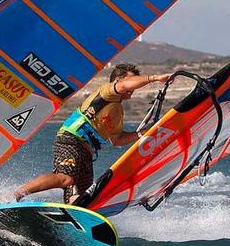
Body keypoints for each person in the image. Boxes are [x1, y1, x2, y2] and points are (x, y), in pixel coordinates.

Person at [13, 63, 170, 204]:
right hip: (70, 139)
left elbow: (117, 139)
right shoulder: (107, 91)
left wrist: (143, 133)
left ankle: (67, 221)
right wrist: (155, 78)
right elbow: (123, 85)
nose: (134, 88)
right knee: (65, 178)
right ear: (118, 80)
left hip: (86, 152)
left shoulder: (117, 110)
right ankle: (18, 193)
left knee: (82, 200)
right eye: (132, 81)